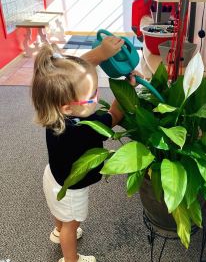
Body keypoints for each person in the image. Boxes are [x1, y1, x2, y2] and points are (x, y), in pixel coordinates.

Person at [31, 37, 136, 262]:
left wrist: (100, 53)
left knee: (58, 212)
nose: (97, 97)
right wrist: (126, 89)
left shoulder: (53, 109)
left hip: (53, 176)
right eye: (92, 96)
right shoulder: (87, 127)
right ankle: (71, 259)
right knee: (72, 224)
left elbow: (77, 69)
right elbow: (115, 115)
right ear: (68, 106)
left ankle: (58, 231)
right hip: (71, 187)